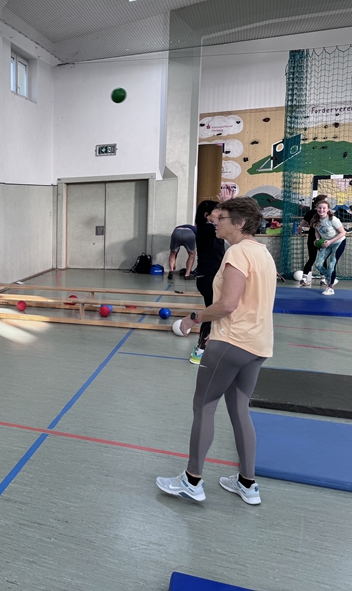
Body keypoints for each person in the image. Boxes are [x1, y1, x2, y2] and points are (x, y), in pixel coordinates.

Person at [156, 197, 276, 505]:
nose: (215, 222)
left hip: (233, 343)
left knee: (204, 406)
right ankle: (247, 484)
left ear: (239, 223)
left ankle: (192, 480)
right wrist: (218, 333)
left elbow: (228, 304)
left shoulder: (238, 252)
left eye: (221, 218)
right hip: (257, 344)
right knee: (239, 410)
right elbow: (248, 304)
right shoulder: (263, 252)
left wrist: (192, 319)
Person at [189, 199, 225, 365]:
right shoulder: (206, 229)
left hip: (211, 277)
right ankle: (200, 350)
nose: (220, 214)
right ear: (206, 215)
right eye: (217, 211)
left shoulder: (212, 229)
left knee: (216, 313)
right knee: (212, 314)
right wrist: (228, 204)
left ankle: (209, 347)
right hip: (208, 278)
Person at [311, 200, 346, 296]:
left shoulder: (333, 219)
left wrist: (330, 241)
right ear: (316, 208)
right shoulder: (315, 220)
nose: (321, 210)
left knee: (331, 265)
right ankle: (332, 279)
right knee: (318, 264)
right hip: (326, 243)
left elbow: (343, 232)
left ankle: (330, 287)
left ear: (328, 209)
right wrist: (317, 239)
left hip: (338, 242)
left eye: (324, 208)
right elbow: (317, 231)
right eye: (319, 208)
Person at [298, 194, 328, 287]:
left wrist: (311, 225)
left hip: (312, 237)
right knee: (322, 259)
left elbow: (302, 223)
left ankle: (303, 279)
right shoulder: (324, 213)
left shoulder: (310, 212)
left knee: (312, 258)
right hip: (321, 238)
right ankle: (323, 280)